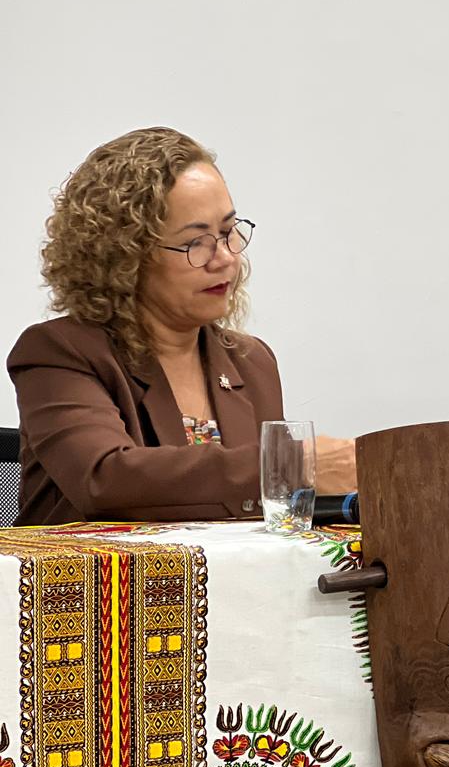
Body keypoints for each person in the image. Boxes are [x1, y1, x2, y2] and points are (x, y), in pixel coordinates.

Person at [6, 127, 357, 525]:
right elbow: (105, 481)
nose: (225, 258)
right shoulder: (58, 353)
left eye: (227, 232)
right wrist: (288, 465)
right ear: (125, 257)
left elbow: (265, 517)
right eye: (195, 242)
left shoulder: (251, 361)